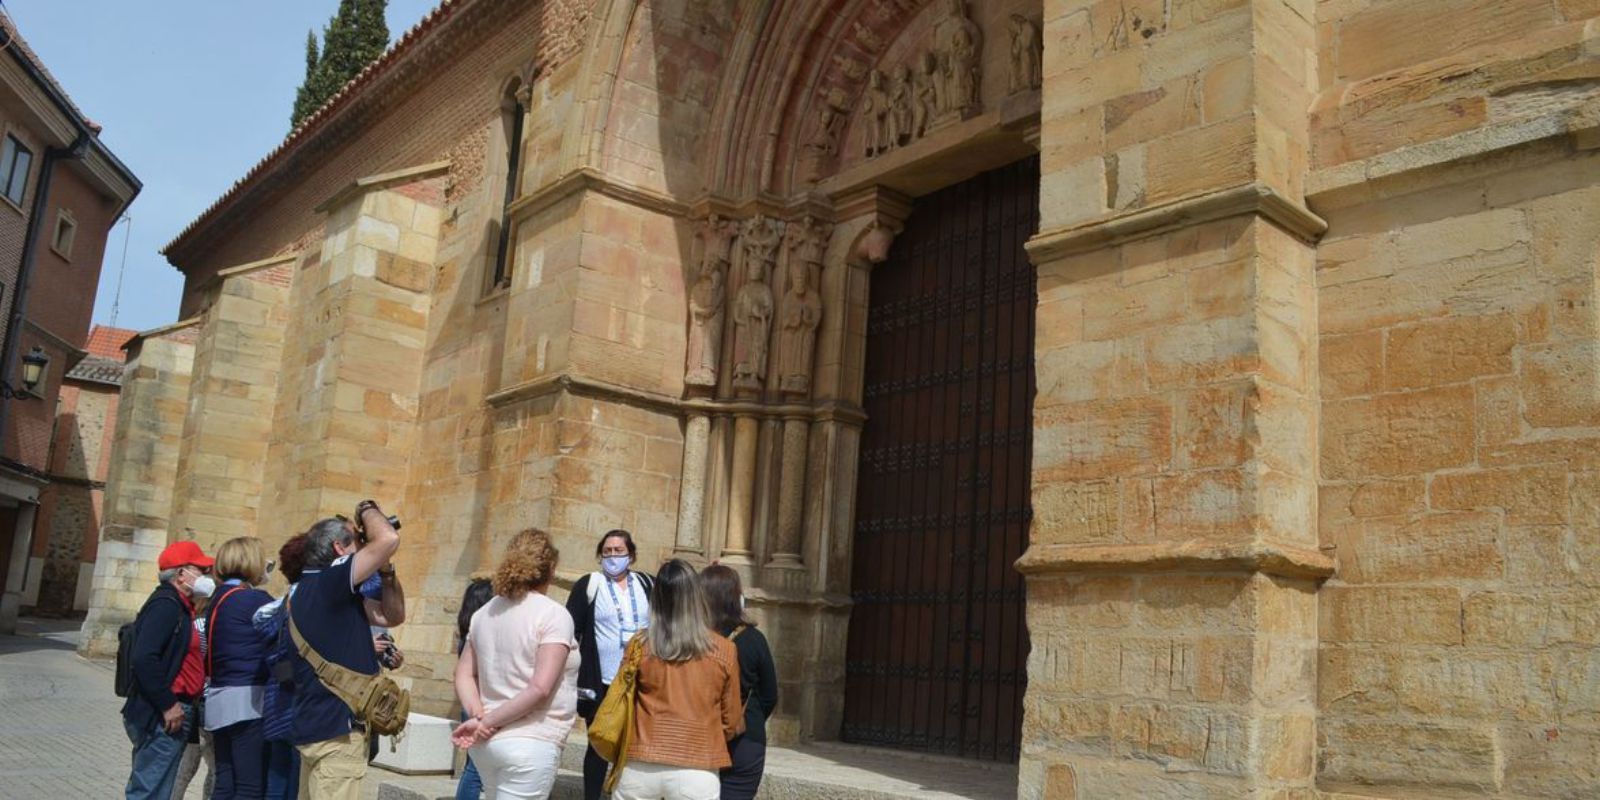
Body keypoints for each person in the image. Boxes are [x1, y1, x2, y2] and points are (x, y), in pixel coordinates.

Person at [452, 530, 579, 799]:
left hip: (487, 745)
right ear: (551, 568)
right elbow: (539, 688)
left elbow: (463, 674)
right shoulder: (553, 614)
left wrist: (478, 715)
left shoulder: (484, 613)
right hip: (529, 740)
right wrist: (487, 721)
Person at [287, 503, 402, 800]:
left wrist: (386, 570)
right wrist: (366, 509)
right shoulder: (330, 581)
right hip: (337, 733)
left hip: (316, 727)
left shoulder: (310, 591)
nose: (365, 548)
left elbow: (392, 616)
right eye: (358, 542)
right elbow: (388, 539)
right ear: (339, 549)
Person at [610, 559, 743, 800]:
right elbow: (731, 721)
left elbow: (620, 701)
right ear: (697, 597)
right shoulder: (725, 649)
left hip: (640, 761)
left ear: (656, 598)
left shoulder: (639, 645)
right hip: (697, 764)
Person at [565, 530, 655, 800]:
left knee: (634, 742)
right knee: (599, 742)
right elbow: (570, 629)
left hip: (640, 678)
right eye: (607, 551)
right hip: (602, 679)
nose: (613, 556)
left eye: (619, 550)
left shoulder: (647, 583)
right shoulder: (590, 584)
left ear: (632, 554)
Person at [122, 540, 215, 800]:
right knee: (150, 790)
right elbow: (144, 658)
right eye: (200, 569)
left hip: (169, 710)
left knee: (159, 788)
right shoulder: (166, 605)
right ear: (181, 574)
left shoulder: (178, 604)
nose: (205, 576)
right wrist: (167, 704)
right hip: (162, 713)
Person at [205, 537, 277, 799]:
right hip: (247, 700)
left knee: (225, 780)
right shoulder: (253, 600)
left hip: (219, 698)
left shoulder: (219, 597)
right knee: (249, 785)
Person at [699, 565, 777, 799]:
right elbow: (769, 694)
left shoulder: (693, 639)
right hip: (746, 738)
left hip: (701, 734)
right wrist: (744, 718)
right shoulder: (754, 639)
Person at [255, 533, 309, 800]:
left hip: (278, 701)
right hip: (298, 707)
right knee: (292, 786)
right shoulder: (305, 604)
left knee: (276, 781)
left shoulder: (274, 608)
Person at [453, 576, 494, 800]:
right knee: (476, 770)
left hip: (471, 704)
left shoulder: (466, 633)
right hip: (479, 705)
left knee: (474, 767)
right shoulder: (476, 634)